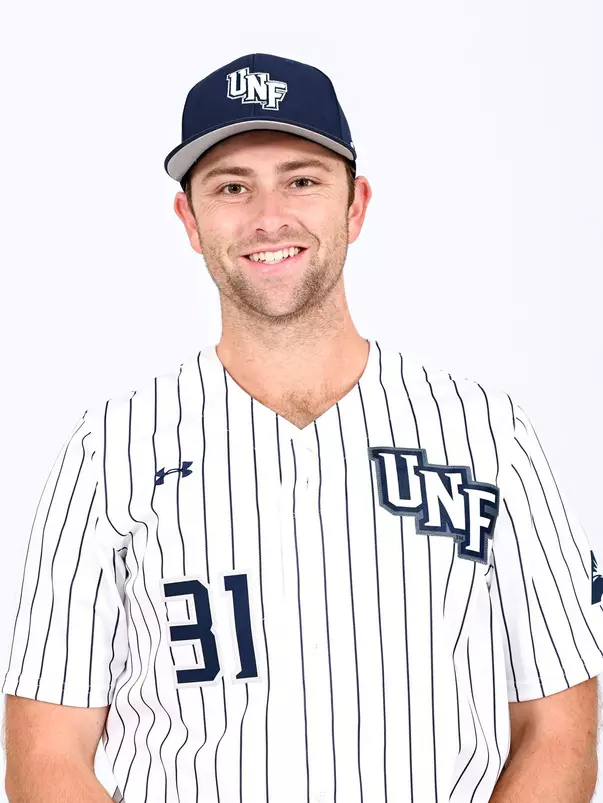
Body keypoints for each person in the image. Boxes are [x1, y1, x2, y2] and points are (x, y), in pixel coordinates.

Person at [2, 52, 602, 803]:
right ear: (189, 219)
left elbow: (560, 726)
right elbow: (45, 752)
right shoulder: (107, 452)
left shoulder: (487, 435)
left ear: (355, 205)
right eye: (231, 187)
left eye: (302, 179)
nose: (268, 216)